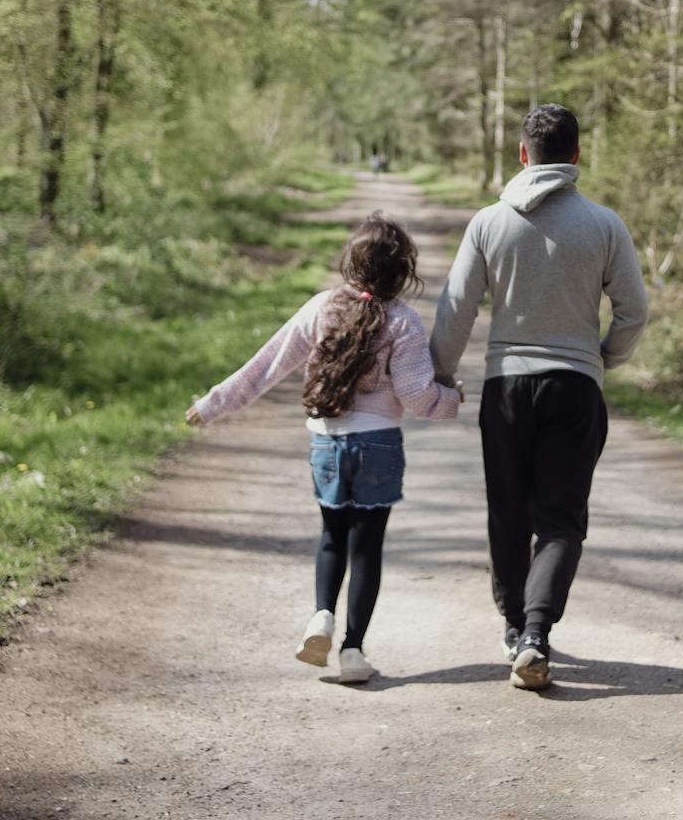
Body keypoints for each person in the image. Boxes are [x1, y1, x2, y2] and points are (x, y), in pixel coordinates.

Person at [186, 213, 462, 684]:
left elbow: (265, 366)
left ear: (349, 265)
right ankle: (353, 651)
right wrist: (451, 398)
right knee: (367, 547)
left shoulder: (321, 309)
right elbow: (418, 396)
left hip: (327, 442)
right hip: (378, 444)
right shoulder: (404, 322)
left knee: (332, 536)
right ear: (403, 273)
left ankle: (320, 616)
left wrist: (213, 404)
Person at [430, 104, 648, 690]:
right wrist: (602, 359)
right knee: (560, 519)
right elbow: (634, 311)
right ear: (576, 156)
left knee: (509, 509)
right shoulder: (605, 225)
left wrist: (440, 376)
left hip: (505, 387)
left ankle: (512, 627)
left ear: (522, 154)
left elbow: (456, 309)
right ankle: (535, 633)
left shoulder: (488, 223)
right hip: (574, 387)